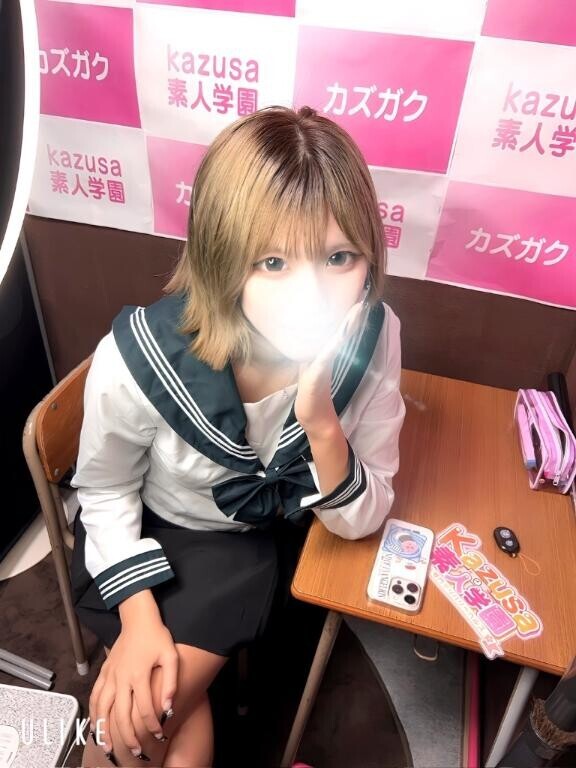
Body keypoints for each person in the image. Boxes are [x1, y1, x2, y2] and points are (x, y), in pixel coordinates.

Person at [70, 104, 406, 768]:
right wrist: (138, 619)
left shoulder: (374, 337)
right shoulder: (141, 358)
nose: (313, 296)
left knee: (132, 732)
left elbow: (364, 517)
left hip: (247, 551)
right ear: (223, 258)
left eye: (339, 257)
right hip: (142, 531)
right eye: (273, 261)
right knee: (141, 732)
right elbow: (103, 490)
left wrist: (321, 422)